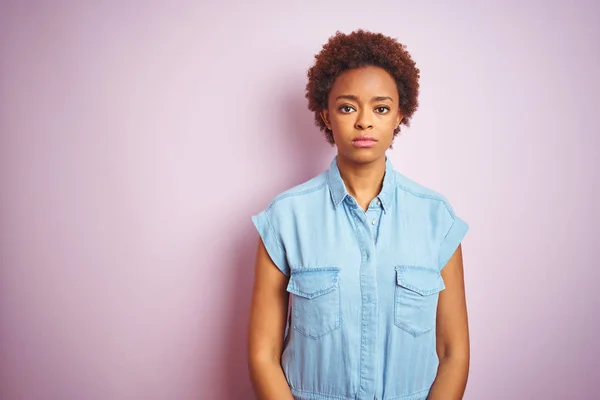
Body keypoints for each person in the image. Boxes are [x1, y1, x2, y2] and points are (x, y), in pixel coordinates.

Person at [247, 29, 470, 400]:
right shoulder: (285, 219)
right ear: (325, 114)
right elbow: (262, 354)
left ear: (400, 115)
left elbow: (453, 352)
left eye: (380, 108)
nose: (364, 121)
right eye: (348, 107)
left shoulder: (436, 219)